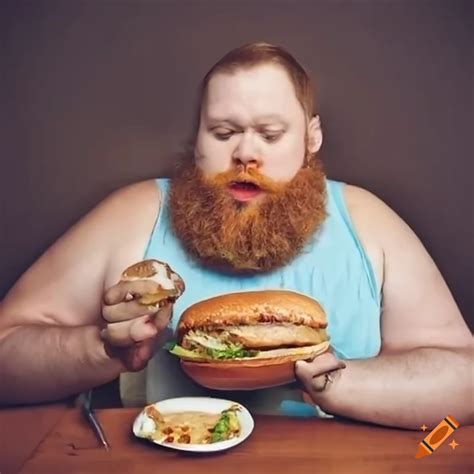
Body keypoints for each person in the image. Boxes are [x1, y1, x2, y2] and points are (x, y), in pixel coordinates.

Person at [0, 42, 472, 429]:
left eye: (270, 134)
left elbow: (464, 378)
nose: (246, 154)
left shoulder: (368, 221)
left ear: (312, 139)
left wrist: (340, 384)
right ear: (197, 136)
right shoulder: (137, 212)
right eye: (223, 132)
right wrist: (102, 348)